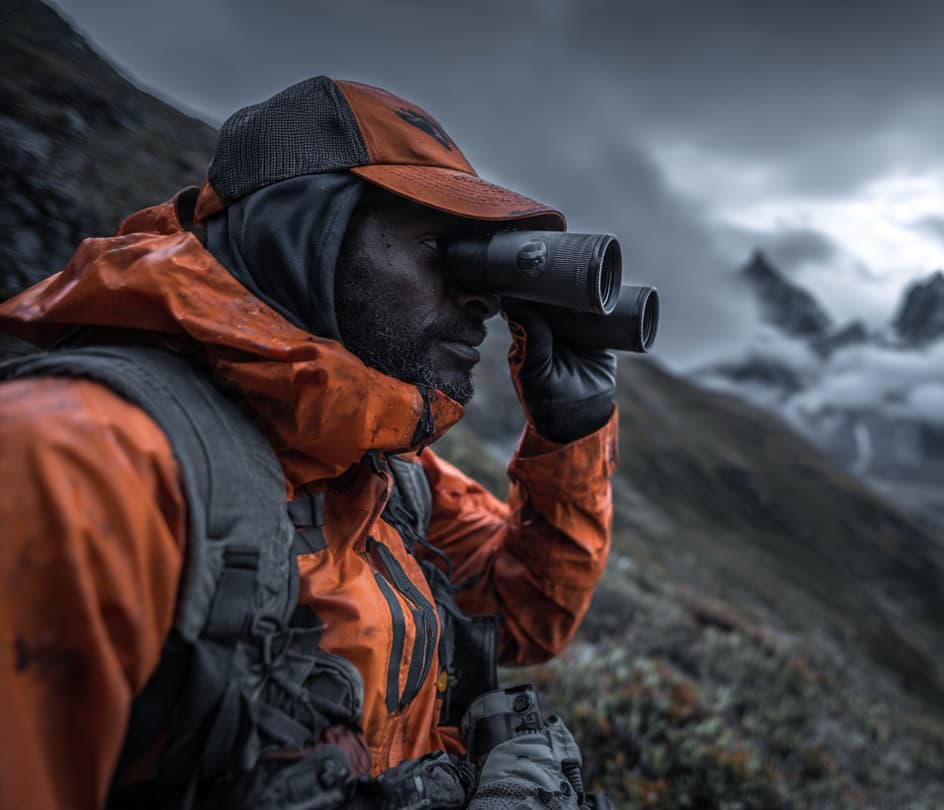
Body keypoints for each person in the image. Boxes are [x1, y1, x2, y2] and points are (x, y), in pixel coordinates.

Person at [0, 77, 618, 809]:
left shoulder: (380, 467)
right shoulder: (70, 466)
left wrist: (572, 430)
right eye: (447, 252)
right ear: (300, 232)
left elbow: (525, 614)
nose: (484, 298)